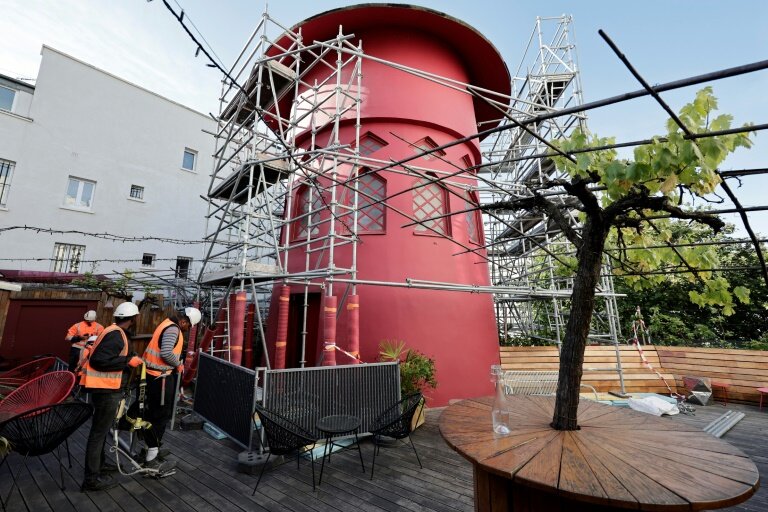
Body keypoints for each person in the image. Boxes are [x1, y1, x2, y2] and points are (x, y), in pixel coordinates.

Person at [80, 302, 144, 492]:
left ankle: (100, 465)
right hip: (106, 391)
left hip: (105, 389)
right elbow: (99, 360)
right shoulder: (116, 335)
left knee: (101, 430)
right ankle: (91, 479)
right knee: (98, 434)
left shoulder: (113, 331)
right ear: (132, 320)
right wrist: (128, 361)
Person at [141, 306, 201, 467]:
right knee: (160, 416)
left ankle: (150, 448)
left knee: (155, 414)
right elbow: (166, 353)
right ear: (183, 321)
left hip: (154, 375)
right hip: (160, 378)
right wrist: (178, 365)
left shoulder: (166, 323)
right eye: (189, 326)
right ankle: (151, 458)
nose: (188, 330)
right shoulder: (173, 330)